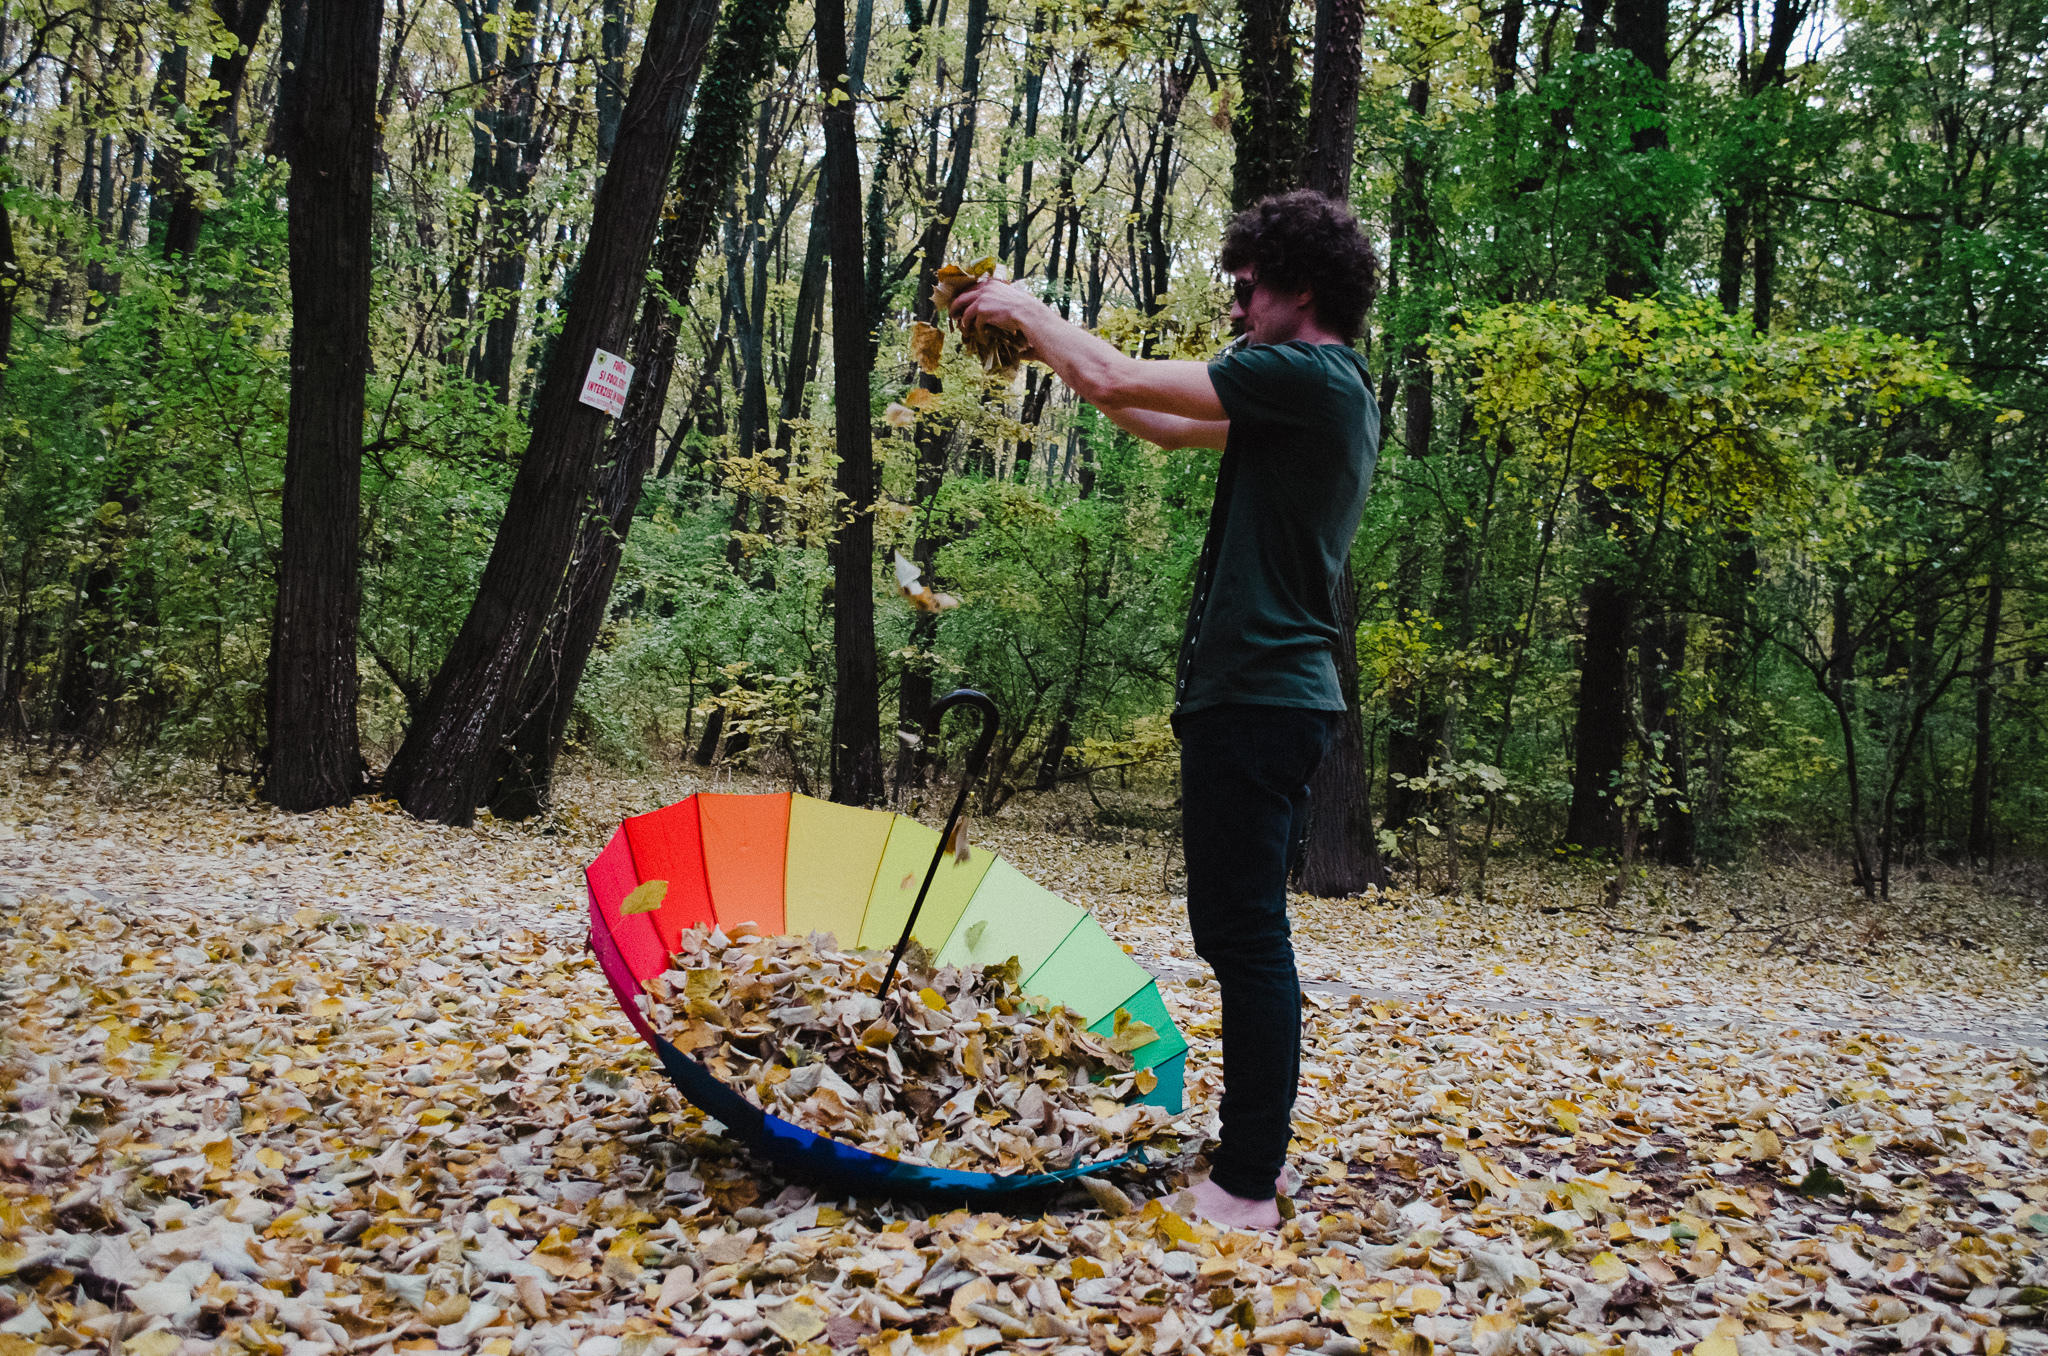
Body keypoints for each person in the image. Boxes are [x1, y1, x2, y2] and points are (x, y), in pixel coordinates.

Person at [951, 188, 1381, 1230]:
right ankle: (1254, 1163)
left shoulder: (1309, 376)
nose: (1235, 306)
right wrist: (1035, 342)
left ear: (1302, 290)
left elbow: (1114, 374)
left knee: (1244, 936)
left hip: (1260, 695)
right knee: (1240, 931)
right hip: (1264, 697)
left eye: (1248, 287)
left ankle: (1247, 1184)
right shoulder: (1309, 394)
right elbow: (1144, 416)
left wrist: (1030, 307)